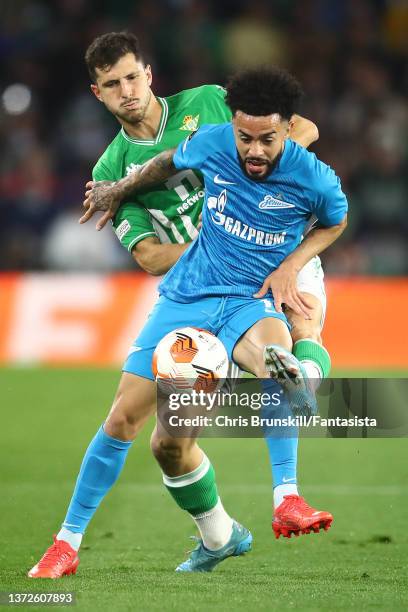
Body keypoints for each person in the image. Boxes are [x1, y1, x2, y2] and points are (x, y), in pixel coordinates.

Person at [27, 39, 340, 579]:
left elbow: (302, 132)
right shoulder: (112, 170)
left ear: (148, 74)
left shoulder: (213, 103)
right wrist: (215, 247)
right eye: (112, 85)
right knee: (168, 443)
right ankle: (220, 536)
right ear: (96, 94)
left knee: (297, 322)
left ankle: (295, 441)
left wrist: (261, 174)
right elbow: (149, 256)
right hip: (195, 289)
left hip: (275, 255)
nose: (127, 92)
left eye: (131, 78)